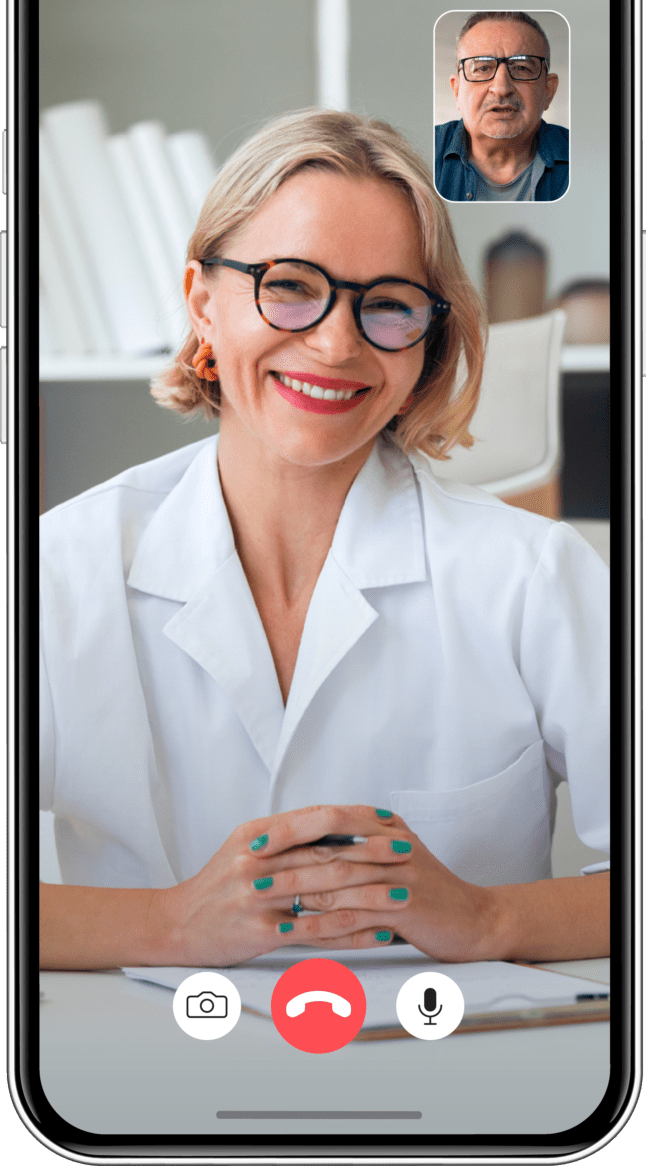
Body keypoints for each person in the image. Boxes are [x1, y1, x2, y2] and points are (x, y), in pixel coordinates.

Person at [40, 110, 608, 971]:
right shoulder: (57, 571)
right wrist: (169, 925)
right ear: (202, 302)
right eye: (290, 284)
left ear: (428, 341)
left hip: (455, 1075)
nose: (336, 343)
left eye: (387, 305)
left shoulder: (532, 575)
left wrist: (489, 919)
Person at [435, 11, 569, 201]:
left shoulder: (587, 160)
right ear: (457, 91)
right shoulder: (419, 155)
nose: (501, 88)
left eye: (521, 68)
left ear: (548, 90)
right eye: (482, 68)